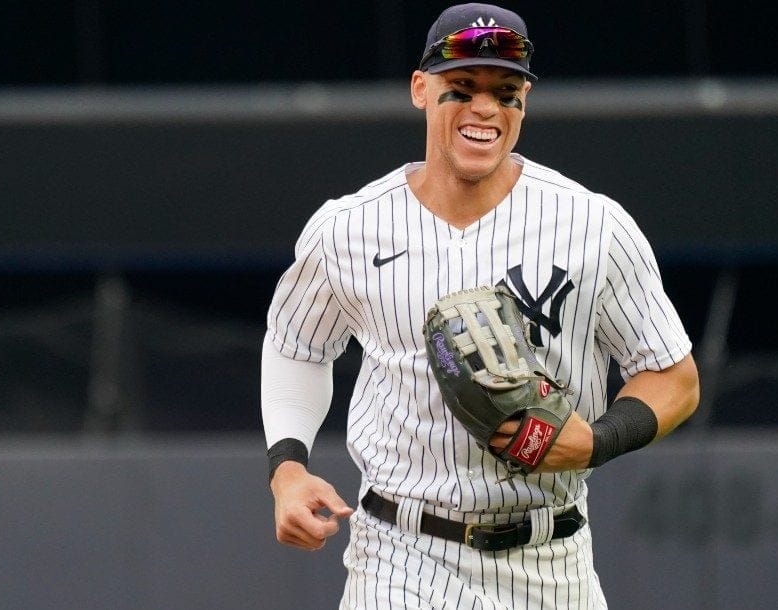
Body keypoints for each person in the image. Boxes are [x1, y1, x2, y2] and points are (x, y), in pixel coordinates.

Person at [261, 3, 699, 608]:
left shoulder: (592, 225)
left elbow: (674, 377)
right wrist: (287, 467)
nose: (485, 109)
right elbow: (298, 348)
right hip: (400, 554)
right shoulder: (349, 228)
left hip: (553, 561)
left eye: (506, 91)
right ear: (420, 89)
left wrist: (596, 442)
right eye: (461, 88)